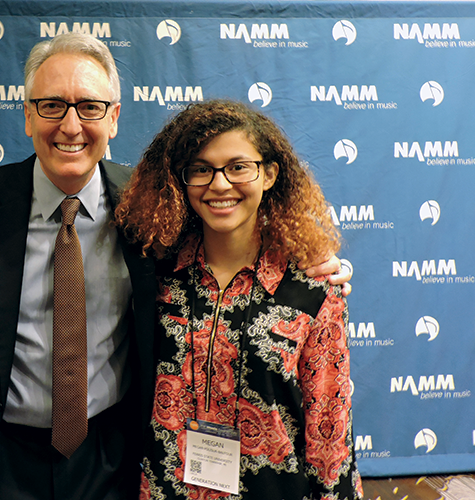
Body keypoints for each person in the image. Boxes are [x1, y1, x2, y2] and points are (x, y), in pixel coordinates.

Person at [0, 33, 350, 500]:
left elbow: (229, 221)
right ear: (28, 116)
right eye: (52, 105)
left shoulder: (150, 208)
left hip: (113, 458)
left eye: (90, 107)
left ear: (114, 117)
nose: (70, 126)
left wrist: (313, 261)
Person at [115, 100, 363, 500]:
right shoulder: (155, 273)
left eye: (238, 167)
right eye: (201, 169)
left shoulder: (313, 288)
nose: (219, 184)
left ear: (269, 174)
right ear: (181, 180)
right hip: (167, 490)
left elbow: (329, 430)